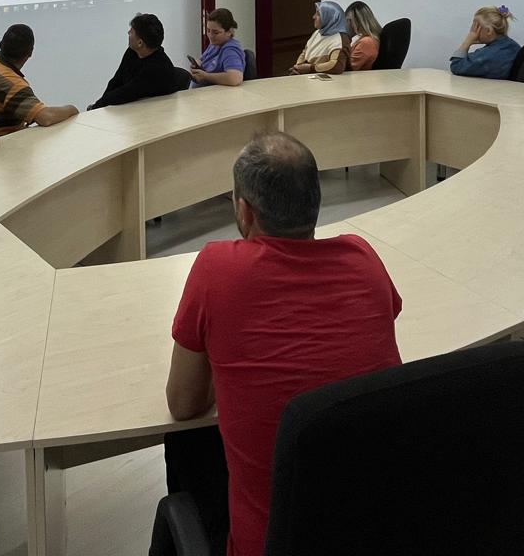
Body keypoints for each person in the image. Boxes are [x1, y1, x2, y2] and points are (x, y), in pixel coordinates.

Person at [156, 133, 402, 556]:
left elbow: (183, 404)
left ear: (244, 211)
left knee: (188, 442)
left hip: (269, 544)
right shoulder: (363, 259)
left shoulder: (218, 269)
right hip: (374, 533)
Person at [0, 23, 78, 135]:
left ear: (1, 44)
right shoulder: (13, 85)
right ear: (30, 52)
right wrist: (71, 110)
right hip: (2, 141)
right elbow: (46, 118)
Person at [89, 13, 191, 108]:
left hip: (152, 112)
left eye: (132, 31)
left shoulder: (157, 68)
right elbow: (116, 80)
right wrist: (98, 106)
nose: (128, 32)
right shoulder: (132, 52)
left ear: (140, 43)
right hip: (133, 108)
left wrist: (97, 107)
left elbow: (126, 93)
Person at [449, 5, 520, 78]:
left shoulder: (489, 54)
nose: (472, 31)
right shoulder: (513, 46)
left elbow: (456, 66)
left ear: (488, 31)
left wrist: (467, 41)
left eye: (475, 26)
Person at [189, 8, 247, 87]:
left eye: (216, 33)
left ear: (229, 32)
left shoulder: (230, 51)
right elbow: (203, 60)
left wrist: (206, 76)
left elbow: (235, 78)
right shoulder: (214, 44)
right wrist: (197, 64)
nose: (210, 36)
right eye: (208, 31)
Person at [288, 1, 349, 75]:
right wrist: (298, 66)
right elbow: (305, 52)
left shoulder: (340, 39)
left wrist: (310, 68)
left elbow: (337, 66)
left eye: (318, 14)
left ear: (330, 18)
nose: (313, 17)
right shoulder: (317, 33)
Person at [344, 1, 382, 70]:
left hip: (356, 76)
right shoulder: (368, 39)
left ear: (357, 21)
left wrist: (345, 38)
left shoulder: (366, 42)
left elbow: (346, 68)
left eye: (348, 20)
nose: (346, 24)